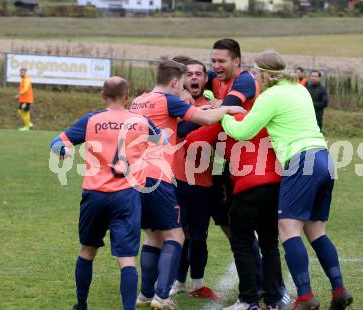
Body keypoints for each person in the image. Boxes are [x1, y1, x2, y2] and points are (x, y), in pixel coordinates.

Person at [221, 51, 353, 310]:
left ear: (264, 74)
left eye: (257, 73)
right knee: (316, 231)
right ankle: (339, 289)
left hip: (301, 161)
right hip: (324, 158)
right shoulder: (299, 89)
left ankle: (304, 297)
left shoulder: (269, 96)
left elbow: (242, 131)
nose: (255, 77)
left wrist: (224, 113)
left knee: (288, 229)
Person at [129, 60, 244, 310]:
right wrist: (228, 109)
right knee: (176, 236)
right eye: (182, 81)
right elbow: (204, 117)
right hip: (158, 175)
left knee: (153, 236)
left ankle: (145, 295)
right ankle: (162, 296)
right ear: (174, 82)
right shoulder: (168, 100)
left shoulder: (139, 100)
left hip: (134, 177)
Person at [50, 77, 167, 310]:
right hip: (127, 195)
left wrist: (65, 154)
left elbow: (57, 144)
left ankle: (81, 303)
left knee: (87, 249)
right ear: (127, 96)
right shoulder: (141, 121)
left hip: (94, 195)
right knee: (126, 259)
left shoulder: (91, 120)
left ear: (103, 96)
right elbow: (162, 141)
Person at [185, 112, 284, 310]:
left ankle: (249, 300)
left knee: (241, 243)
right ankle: (274, 301)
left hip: (247, 187)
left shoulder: (228, 117)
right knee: (270, 244)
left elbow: (192, 141)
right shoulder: (263, 116)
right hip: (275, 184)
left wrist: (217, 122)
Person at [170, 57, 223, 300]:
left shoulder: (213, 103)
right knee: (179, 235)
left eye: (198, 74)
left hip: (204, 181)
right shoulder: (176, 104)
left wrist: (216, 109)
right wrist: (208, 113)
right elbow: (179, 131)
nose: (193, 77)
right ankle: (179, 282)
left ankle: (198, 284)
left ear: (205, 78)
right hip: (177, 180)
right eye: (188, 74)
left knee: (199, 236)